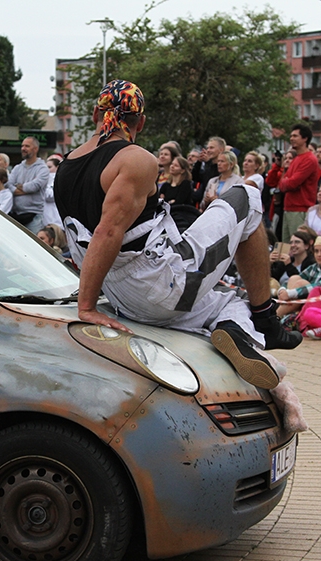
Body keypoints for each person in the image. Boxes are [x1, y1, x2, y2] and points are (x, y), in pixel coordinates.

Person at [52, 80, 305, 418]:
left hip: (124, 298)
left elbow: (91, 235)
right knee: (249, 198)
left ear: (96, 113)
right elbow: (107, 231)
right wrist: (86, 308)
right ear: (139, 122)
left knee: (227, 303)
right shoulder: (135, 160)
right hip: (162, 282)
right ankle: (267, 319)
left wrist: (93, 298)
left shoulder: (65, 167)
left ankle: (238, 331)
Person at [276, 235, 321, 317]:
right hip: (308, 302)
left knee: (300, 284)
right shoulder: (314, 267)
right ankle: (286, 315)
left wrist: (290, 293)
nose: (319, 255)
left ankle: (278, 316)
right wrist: (282, 291)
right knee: (295, 278)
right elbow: (291, 281)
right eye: (316, 251)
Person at [275, 124, 319, 240]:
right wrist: (286, 182)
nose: (291, 139)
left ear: (305, 138)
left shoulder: (309, 159)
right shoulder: (296, 159)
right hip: (288, 208)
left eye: (295, 136)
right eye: (291, 136)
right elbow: (282, 185)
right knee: (286, 246)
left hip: (300, 209)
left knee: (297, 245)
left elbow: (292, 183)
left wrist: (286, 183)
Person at [8, 137, 51, 234]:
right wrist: (23, 189)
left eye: (27, 146)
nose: (23, 148)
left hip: (34, 218)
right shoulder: (17, 168)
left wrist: (17, 186)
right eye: (22, 146)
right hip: (16, 216)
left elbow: (35, 186)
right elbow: (9, 185)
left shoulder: (43, 169)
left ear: (35, 149)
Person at [191, 137, 226, 205]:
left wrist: (208, 162)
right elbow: (195, 177)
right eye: (207, 148)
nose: (208, 150)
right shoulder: (209, 167)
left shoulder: (224, 168)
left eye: (211, 148)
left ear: (221, 150)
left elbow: (213, 178)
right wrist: (199, 162)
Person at [43, 156, 62, 226]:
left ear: (57, 167)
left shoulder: (58, 180)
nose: (47, 170)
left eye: (49, 167)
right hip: (45, 219)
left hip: (56, 219)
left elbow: (50, 195)